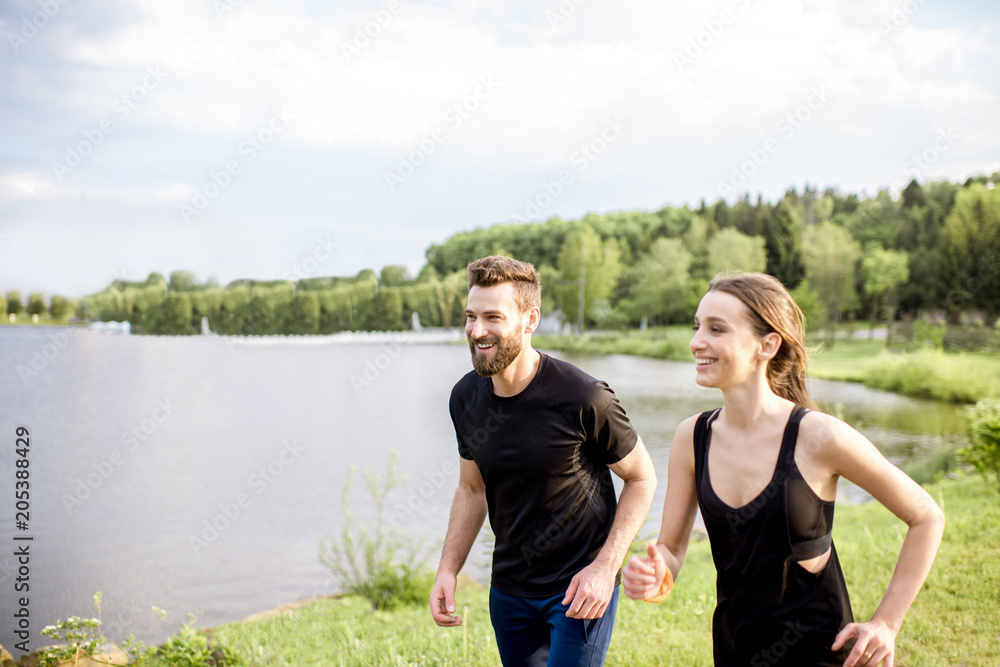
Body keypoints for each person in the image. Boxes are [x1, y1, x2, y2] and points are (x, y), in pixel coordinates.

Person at [623, 273, 945, 667]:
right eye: (697, 326)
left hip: (821, 653)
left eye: (716, 328)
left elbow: (926, 516)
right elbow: (671, 548)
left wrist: (886, 624)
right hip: (733, 650)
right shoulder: (691, 437)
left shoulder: (820, 437)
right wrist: (657, 575)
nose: (696, 342)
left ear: (768, 344)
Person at [429, 255, 657, 667]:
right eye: (470, 316)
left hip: (579, 590)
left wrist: (605, 568)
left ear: (529, 320)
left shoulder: (583, 396)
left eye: (493, 317)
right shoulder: (465, 397)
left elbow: (642, 478)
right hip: (510, 592)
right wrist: (448, 569)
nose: (477, 331)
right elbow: (472, 487)